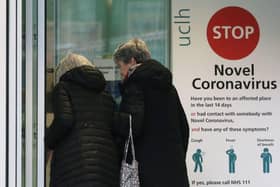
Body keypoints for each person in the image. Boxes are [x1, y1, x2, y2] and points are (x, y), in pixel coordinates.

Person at [113, 38, 190, 187]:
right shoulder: (169, 88)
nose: (120, 73)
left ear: (132, 62)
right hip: (174, 170)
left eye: (119, 66)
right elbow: (184, 127)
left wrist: (112, 118)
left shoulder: (135, 86)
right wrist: (177, 158)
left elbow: (132, 126)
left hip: (147, 172)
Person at [45, 53, 120, 187]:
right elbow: (115, 127)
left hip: (74, 165)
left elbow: (64, 120)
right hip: (106, 167)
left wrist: (48, 140)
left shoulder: (63, 88)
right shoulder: (105, 95)